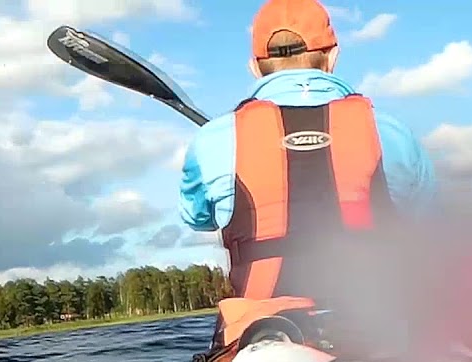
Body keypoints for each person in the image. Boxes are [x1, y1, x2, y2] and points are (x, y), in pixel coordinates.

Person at [177, 0, 436, 319]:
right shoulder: (393, 132)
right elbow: (426, 219)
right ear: (333, 57)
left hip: (266, 333)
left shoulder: (212, 140)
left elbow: (197, 217)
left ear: (255, 67)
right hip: (379, 326)